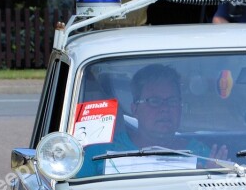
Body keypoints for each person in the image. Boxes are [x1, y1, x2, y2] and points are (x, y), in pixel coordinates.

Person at [78, 64, 227, 176]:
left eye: (172, 101)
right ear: (135, 109)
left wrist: (212, 180)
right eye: (154, 101)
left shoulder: (202, 154)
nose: (165, 108)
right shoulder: (99, 154)